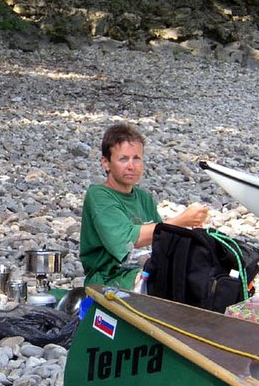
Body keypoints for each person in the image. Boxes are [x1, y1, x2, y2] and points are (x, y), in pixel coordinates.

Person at [79, 122, 209, 290]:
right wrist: (181, 221)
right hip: (108, 279)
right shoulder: (98, 195)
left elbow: (161, 242)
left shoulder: (144, 198)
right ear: (106, 163)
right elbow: (128, 239)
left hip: (144, 267)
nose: (131, 166)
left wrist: (192, 231)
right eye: (123, 159)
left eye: (136, 158)